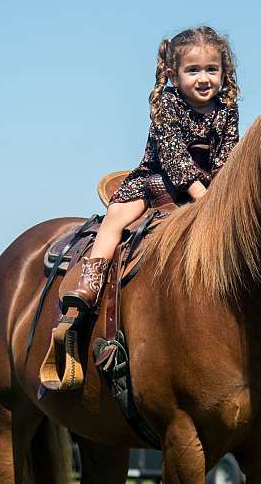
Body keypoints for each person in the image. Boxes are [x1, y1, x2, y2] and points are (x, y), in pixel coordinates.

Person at [58, 25, 240, 313]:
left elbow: (228, 152)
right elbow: (174, 157)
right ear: (173, 76)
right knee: (117, 217)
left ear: (223, 72)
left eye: (211, 70)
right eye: (193, 70)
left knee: (251, 220)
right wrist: (203, 196)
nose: (204, 79)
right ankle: (92, 276)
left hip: (211, 186)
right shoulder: (169, 104)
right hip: (158, 181)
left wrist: (222, 189)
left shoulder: (227, 108)